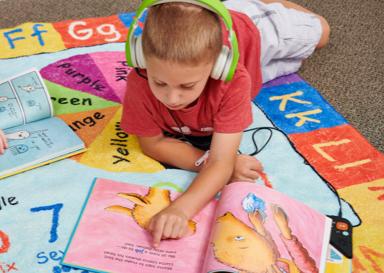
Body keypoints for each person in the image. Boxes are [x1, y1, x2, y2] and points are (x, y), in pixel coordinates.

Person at [121, 0, 329, 248]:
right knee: (276, 68)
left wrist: (181, 210)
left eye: (187, 86)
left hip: (249, 27)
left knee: (322, 33)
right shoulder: (139, 79)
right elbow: (152, 144)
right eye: (160, 83)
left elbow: (222, 162)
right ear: (141, 58)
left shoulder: (233, 80)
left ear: (219, 66)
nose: (171, 98)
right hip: (232, 52)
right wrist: (215, 163)